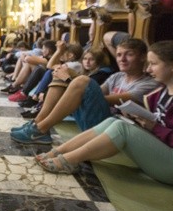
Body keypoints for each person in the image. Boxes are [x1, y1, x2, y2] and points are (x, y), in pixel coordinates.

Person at [36, 41, 173, 197]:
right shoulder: (162, 92)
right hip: (169, 153)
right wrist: (139, 120)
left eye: (153, 64)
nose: (149, 69)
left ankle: (70, 160)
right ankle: (58, 152)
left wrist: (155, 128)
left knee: (122, 129)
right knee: (117, 121)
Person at [11, 38, 158, 144]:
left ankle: (40, 129)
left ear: (143, 57)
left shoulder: (149, 84)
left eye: (129, 54)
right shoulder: (117, 76)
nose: (122, 59)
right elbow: (96, 93)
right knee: (61, 73)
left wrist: (71, 80)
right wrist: (67, 78)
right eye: (119, 55)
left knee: (80, 80)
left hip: (113, 127)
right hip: (98, 119)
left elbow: (99, 98)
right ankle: (38, 124)